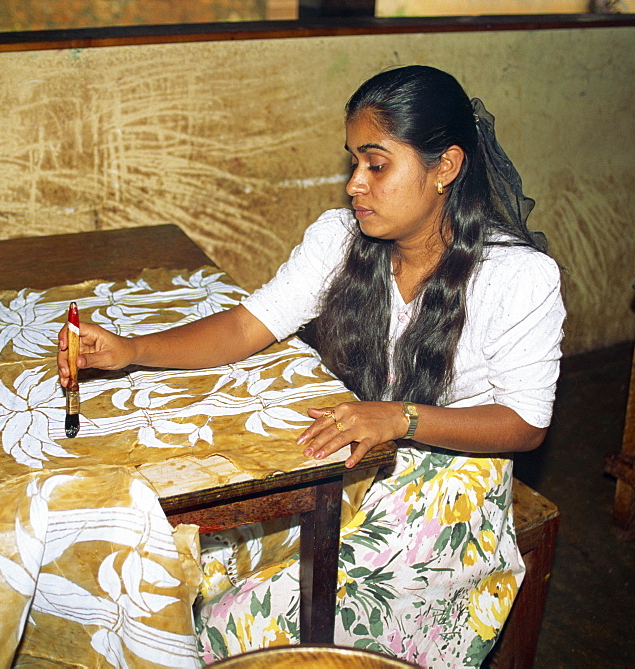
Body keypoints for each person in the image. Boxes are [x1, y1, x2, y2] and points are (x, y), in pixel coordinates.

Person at [58, 65, 565, 668]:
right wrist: (130, 350)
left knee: (240, 623)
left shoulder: (517, 278)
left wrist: (398, 419)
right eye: (353, 161)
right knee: (176, 565)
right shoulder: (341, 239)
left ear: (446, 168)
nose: (355, 184)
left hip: (448, 489)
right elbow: (250, 324)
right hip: (349, 449)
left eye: (377, 165)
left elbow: (525, 423)